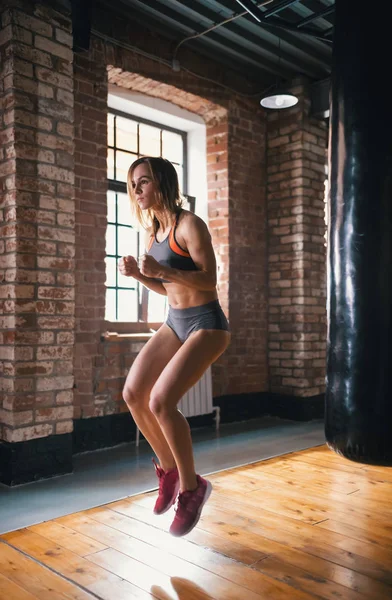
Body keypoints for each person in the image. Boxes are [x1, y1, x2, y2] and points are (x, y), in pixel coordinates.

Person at [118, 156, 230, 537]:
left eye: (143, 182)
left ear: (162, 183)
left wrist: (162, 270)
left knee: (161, 402)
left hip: (207, 324)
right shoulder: (153, 232)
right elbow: (167, 288)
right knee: (133, 392)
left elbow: (209, 281)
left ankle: (192, 487)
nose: (137, 190)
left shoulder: (189, 225)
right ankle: (167, 471)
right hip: (175, 321)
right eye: (133, 183)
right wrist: (139, 275)